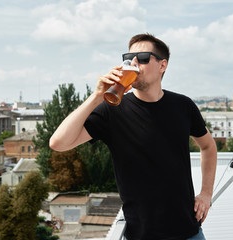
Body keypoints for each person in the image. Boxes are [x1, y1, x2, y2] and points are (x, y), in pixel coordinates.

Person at [50, 33, 217, 240]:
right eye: (129, 58)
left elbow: (208, 146)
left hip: (189, 232)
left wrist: (206, 194)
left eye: (143, 57)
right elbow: (58, 143)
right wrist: (96, 97)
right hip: (140, 235)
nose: (134, 63)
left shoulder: (183, 106)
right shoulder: (112, 110)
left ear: (162, 65)